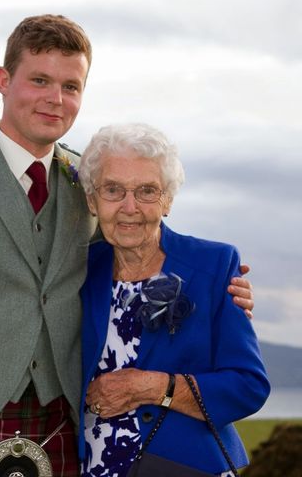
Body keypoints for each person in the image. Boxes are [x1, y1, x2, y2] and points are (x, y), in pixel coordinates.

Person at [0, 15, 255, 477]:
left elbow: (137, 247)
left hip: (59, 428)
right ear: (4, 81)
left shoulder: (88, 180)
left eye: (71, 86)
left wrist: (220, 288)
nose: (55, 99)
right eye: (39, 80)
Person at [76, 123, 270, 476]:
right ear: (92, 200)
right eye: (113, 190)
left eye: (147, 191)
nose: (129, 206)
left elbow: (248, 386)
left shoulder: (213, 265)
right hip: (92, 465)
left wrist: (153, 387)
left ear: (167, 201)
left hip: (184, 465)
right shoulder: (78, 271)